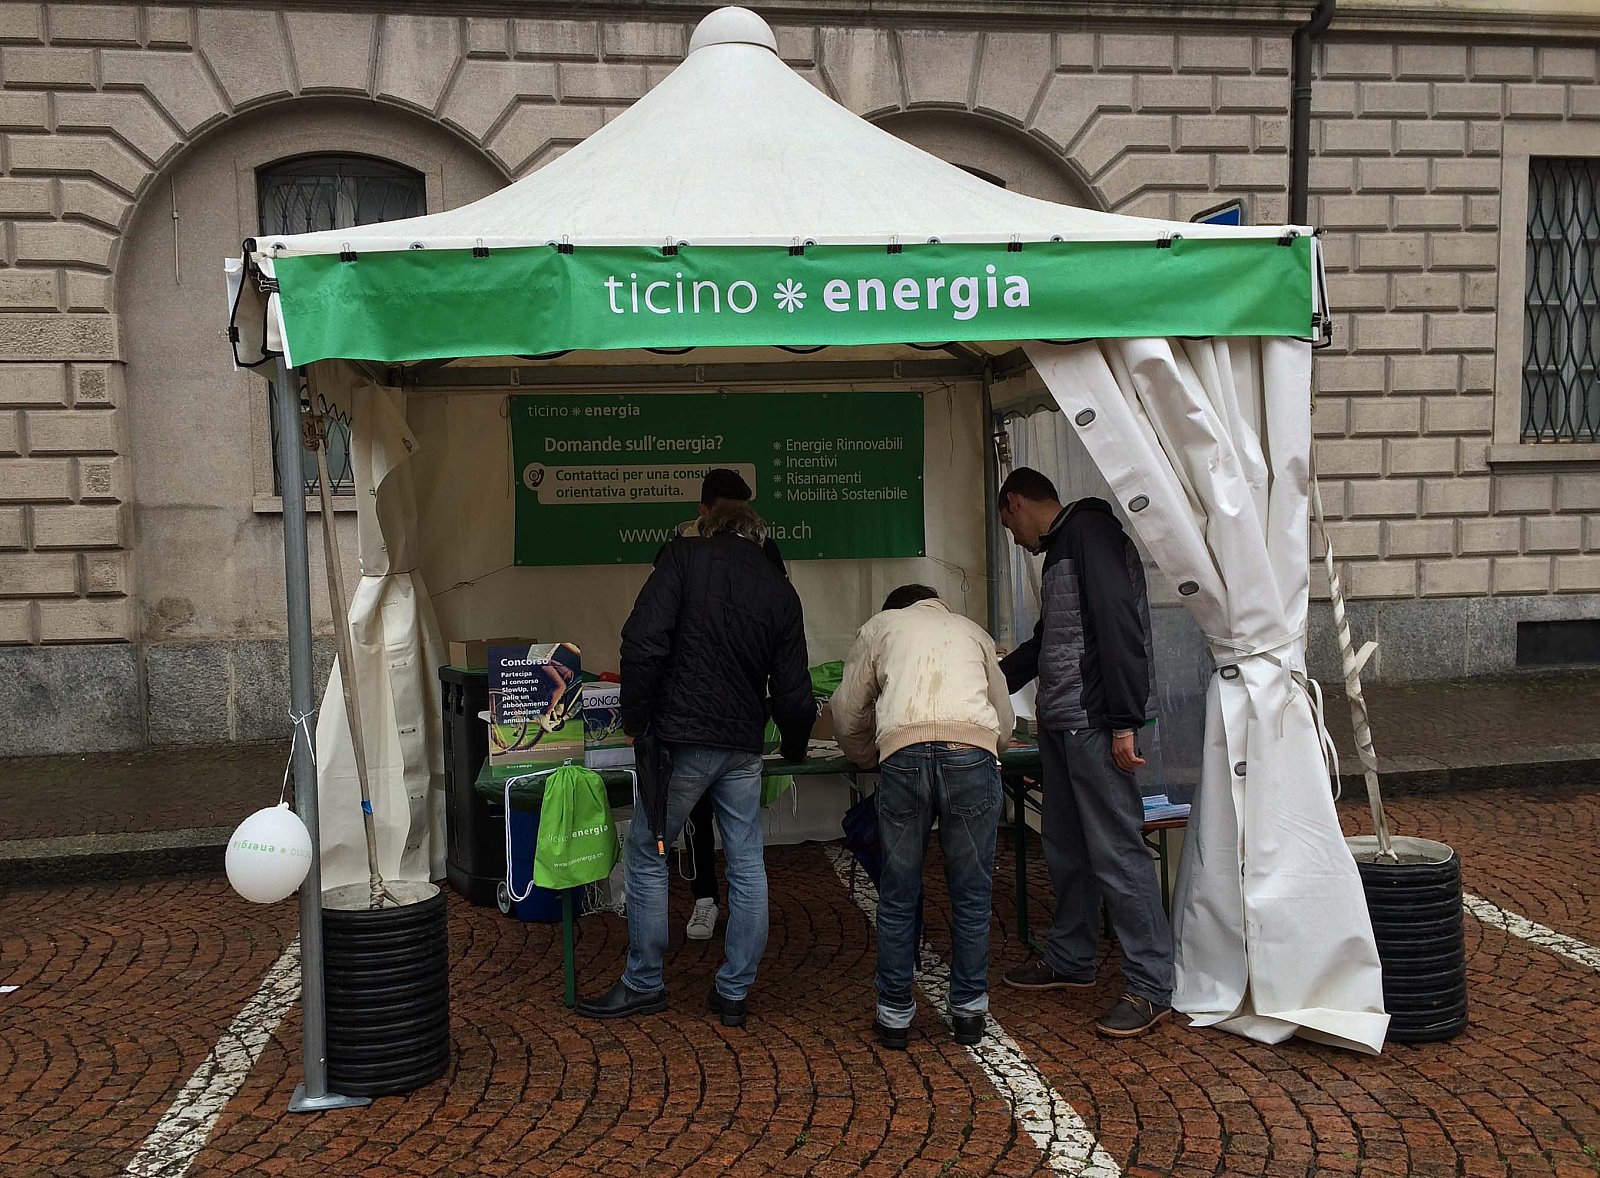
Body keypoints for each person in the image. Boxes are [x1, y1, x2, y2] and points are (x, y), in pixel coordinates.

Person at [579, 502, 814, 1027]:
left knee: (648, 849)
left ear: (708, 530)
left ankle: (644, 982)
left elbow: (642, 642)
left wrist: (637, 720)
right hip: (742, 744)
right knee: (747, 862)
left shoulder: (683, 558)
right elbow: (795, 694)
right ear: (757, 537)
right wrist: (795, 748)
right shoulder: (780, 589)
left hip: (682, 738)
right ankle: (734, 990)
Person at [995, 467, 1173, 1038]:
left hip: (1094, 723)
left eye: (1010, 527)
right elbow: (1050, 639)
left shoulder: (1089, 536)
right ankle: (1071, 958)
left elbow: (1120, 626)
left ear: (1016, 502)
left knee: (1117, 851)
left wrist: (1124, 720)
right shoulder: (1065, 547)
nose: (1016, 540)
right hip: (1064, 721)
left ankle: (1151, 985)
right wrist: (989, 678)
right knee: (1066, 846)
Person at [832, 585, 1014, 1050]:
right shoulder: (972, 630)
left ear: (896, 610)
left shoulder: (881, 627)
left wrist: (867, 756)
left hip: (904, 754)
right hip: (971, 753)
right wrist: (987, 747)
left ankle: (894, 1016)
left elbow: (846, 711)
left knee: (898, 892)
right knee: (972, 893)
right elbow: (1004, 719)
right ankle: (969, 1012)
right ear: (939, 606)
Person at [660, 468, 788, 943]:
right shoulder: (679, 549)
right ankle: (704, 899)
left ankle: (732, 952)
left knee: (742, 843)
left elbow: (781, 626)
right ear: (704, 511)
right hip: (691, 709)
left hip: (740, 708)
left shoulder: (765, 550)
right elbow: (656, 628)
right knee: (695, 817)